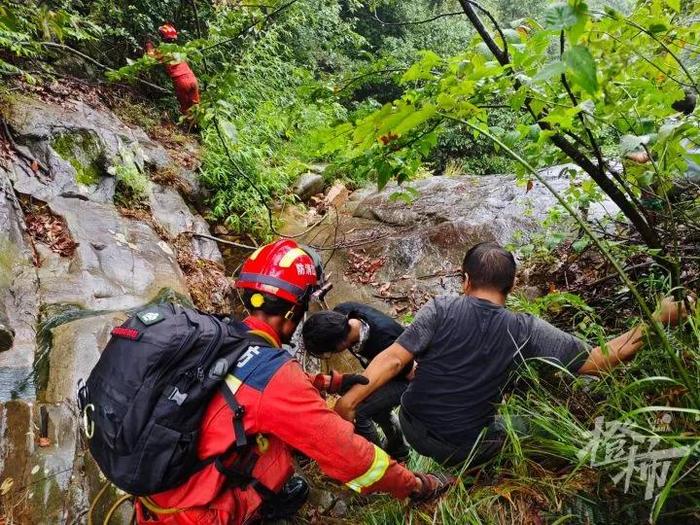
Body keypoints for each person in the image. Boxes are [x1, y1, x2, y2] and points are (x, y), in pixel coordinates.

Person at [135, 239, 452, 524]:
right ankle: (252, 510)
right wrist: (416, 485)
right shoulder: (275, 376)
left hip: (158, 490)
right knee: (288, 452)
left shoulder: (224, 334)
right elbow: (352, 457)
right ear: (292, 312)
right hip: (199, 513)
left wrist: (330, 382)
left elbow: (246, 386)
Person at [334, 242, 692, 467]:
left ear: (465, 279)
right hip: (463, 449)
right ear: (513, 286)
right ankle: (478, 477)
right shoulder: (526, 329)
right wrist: (660, 319)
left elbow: (395, 359)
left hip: (412, 427)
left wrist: (350, 401)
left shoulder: (440, 309)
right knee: (533, 425)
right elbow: (598, 361)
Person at [302, 302, 412, 461]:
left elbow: (408, 371)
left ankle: (379, 461)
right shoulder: (342, 314)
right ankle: (398, 449)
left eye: (331, 351)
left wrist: (358, 395)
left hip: (406, 376)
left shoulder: (385, 339)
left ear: (340, 344)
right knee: (378, 410)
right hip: (384, 370)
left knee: (360, 410)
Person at [145, 23, 201, 116]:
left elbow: (150, 56)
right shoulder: (179, 49)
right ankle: (198, 127)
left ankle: (190, 127)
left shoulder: (163, 51)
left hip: (181, 81)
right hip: (192, 78)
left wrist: (148, 44)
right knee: (196, 105)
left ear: (163, 38)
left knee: (185, 107)